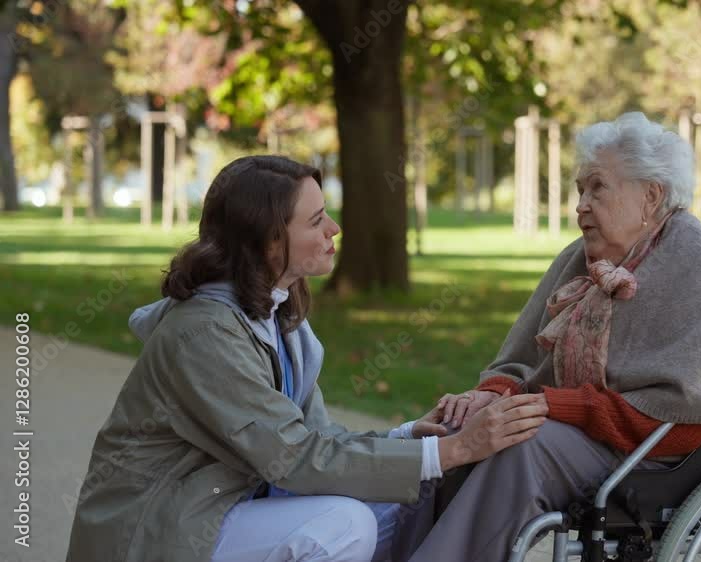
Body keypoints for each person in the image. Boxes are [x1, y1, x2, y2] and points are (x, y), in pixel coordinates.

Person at [64, 155, 548, 562]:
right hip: (154, 526)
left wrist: (408, 436)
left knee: (406, 499)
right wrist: (454, 451)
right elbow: (294, 458)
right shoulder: (204, 334)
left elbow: (314, 439)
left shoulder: (275, 309)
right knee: (344, 525)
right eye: (316, 221)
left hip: (225, 502)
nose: (334, 228)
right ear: (268, 240)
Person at [398, 112, 701, 562]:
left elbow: (691, 411)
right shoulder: (581, 258)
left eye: (597, 188)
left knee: (521, 446)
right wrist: (490, 394)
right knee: (453, 430)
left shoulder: (700, 264)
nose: (580, 207)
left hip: (663, 454)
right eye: (579, 191)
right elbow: (524, 360)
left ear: (651, 196)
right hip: (593, 438)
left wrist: (561, 406)